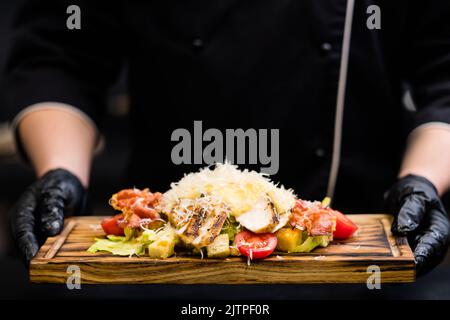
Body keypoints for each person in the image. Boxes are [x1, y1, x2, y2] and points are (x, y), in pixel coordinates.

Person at [2, 0, 450, 276]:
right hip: (162, 267)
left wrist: (423, 180)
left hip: (360, 257)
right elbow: (60, 52)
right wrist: (60, 170)